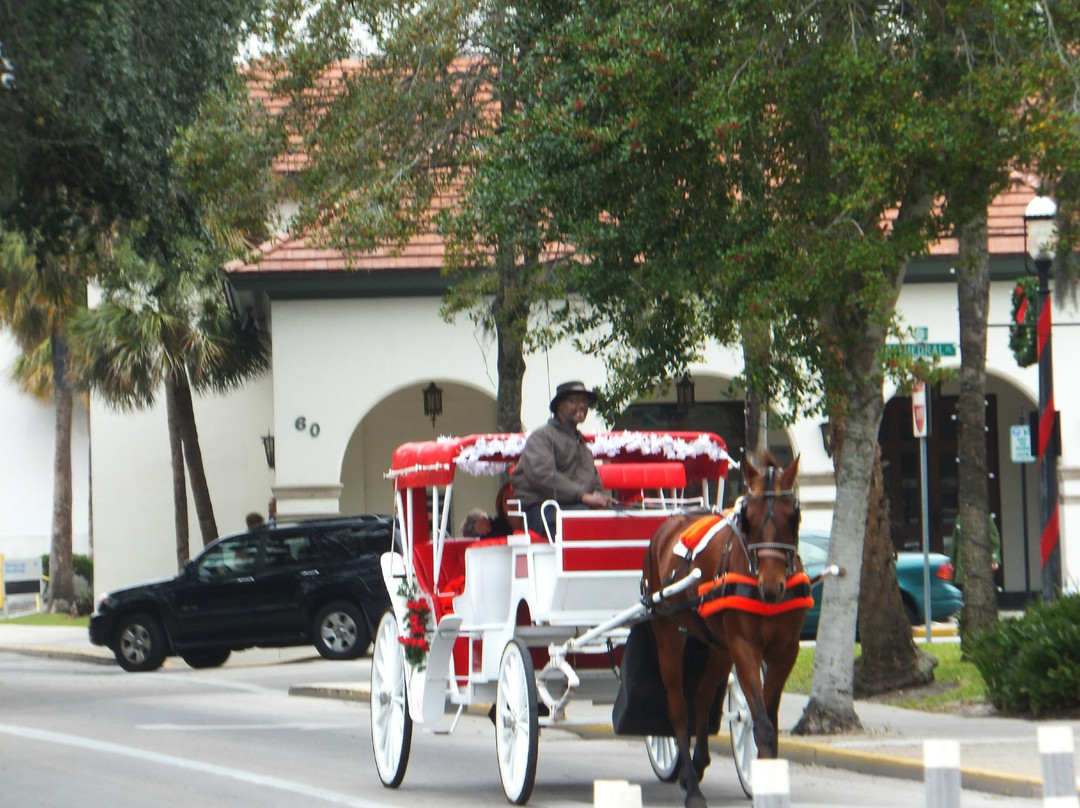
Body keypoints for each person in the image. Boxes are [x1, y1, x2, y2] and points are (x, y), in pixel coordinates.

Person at [510, 380, 616, 535]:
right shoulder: (542, 437)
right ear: (560, 406)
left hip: (578, 507)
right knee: (587, 521)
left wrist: (599, 499)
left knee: (621, 518)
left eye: (584, 402)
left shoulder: (583, 447)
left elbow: (594, 480)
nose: (581, 406)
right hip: (543, 510)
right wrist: (583, 496)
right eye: (574, 401)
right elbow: (543, 475)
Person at [948, 515, 1001, 589]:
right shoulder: (960, 518)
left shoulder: (986, 518)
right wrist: (951, 560)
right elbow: (955, 540)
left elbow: (994, 541)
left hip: (981, 559)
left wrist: (994, 558)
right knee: (965, 585)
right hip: (963, 559)